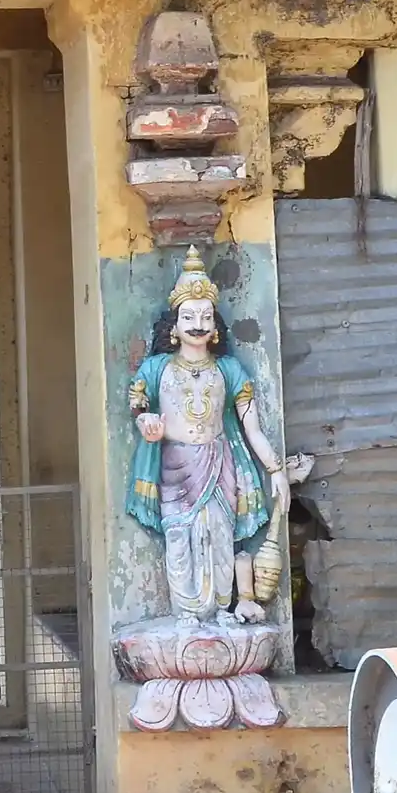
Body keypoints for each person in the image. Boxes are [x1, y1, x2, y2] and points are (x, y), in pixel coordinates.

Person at [125, 247, 287, 622]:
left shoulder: (228, 370)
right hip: (175, 465)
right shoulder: (156, 368)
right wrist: (146, 422)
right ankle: (187, 611)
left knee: (219, 534)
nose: (197, 323)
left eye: (205, 316)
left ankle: (220, 609)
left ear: (215, 328)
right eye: (188, 316)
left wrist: (275, 470)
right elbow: (139, 406)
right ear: (174, 326)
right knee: (179, 536)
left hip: (218, 462)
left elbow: (251, 428)